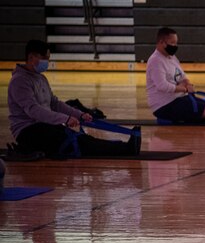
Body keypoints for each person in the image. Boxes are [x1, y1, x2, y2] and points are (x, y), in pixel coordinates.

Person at [7, 39, 140, 158]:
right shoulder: (20, 81)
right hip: (28, 131)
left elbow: (54, 103)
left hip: (45, 126)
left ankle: (125, 147)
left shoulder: (40, 78)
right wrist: (64, 119)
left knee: (81, 138)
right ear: (31, 57)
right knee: (76, 142)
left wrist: (79, 114)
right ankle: (125, 149)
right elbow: (34, 110)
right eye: (44, 58)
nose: (47, 62)